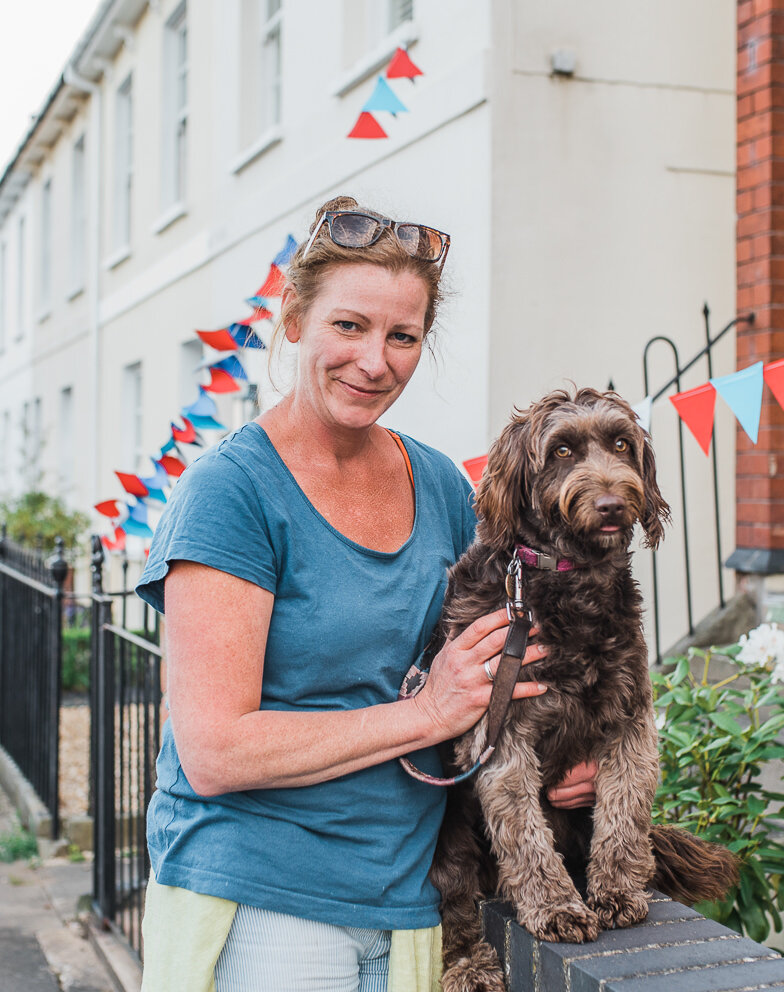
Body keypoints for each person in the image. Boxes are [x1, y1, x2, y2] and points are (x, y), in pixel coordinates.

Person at [136, 196, 595, 992]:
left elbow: (490, 666)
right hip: (265, 896)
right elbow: (212, 751)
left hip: (412, 892)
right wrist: (424, 715)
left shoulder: (445, 487)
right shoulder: (233, 495)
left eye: (402, 336)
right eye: (348, 326)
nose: (375, 361)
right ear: (293, 321)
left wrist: (559, 758)